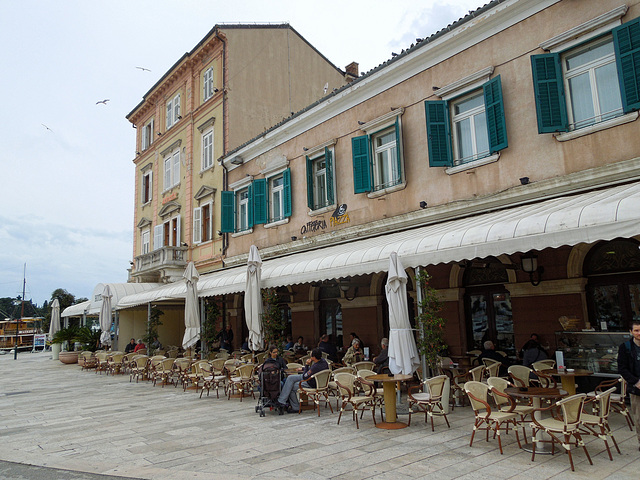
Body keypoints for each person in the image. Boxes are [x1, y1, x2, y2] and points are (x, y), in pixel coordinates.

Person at [618, 320, 640, 451]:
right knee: (639, 417)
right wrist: (636, 382)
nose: (639, 333)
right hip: (636, 388)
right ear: (631, 332)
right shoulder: (625, 347)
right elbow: (622, 368)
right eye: (636, 330)